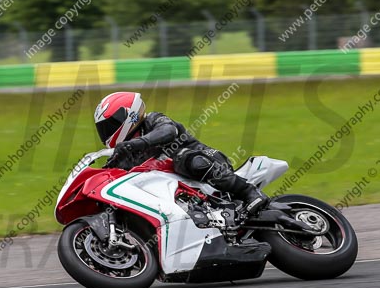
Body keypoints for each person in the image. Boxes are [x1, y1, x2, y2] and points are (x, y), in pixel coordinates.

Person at [94, 91, 269, 215]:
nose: (106, 132)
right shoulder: (126, 154)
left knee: (182, 159)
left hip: (207, 161)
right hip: (181, 189)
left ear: (126, 115)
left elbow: (169, 131)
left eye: (108, 125)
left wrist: (136, 143)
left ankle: (249, 192)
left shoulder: (153, 119)